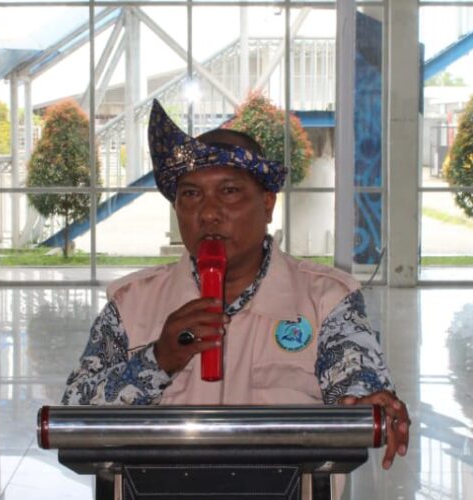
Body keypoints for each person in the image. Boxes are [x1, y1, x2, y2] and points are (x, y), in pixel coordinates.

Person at [62, 99, 410, 470]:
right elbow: (74, 415)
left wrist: (366, 402)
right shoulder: (131, 304)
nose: (208, 213)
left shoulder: (326, 299)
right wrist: (158, 360)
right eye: (191, 194)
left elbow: (355, 380)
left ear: (267, 204)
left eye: (229, 191)